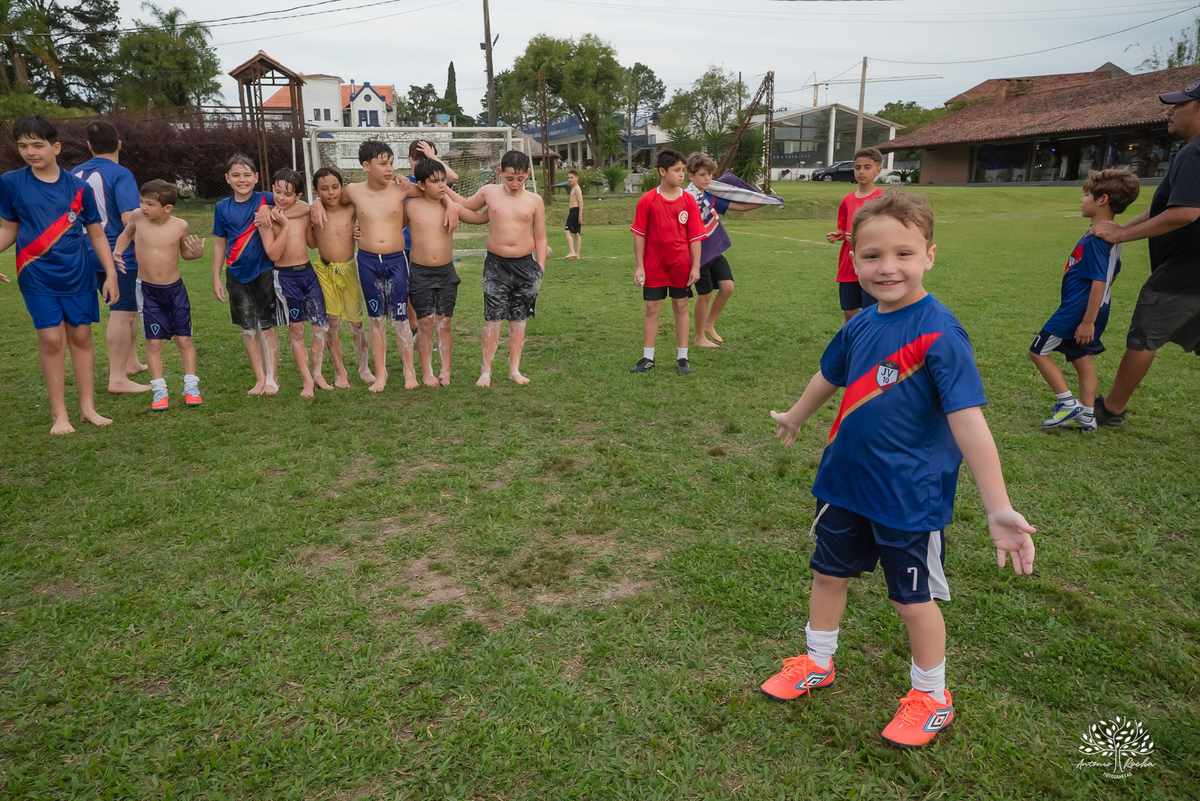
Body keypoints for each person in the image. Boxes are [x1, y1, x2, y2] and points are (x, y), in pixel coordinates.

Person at [761, 191, 1036, 748]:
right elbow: (830, 375)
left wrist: (998, 506)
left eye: (904, 254)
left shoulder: (941, 333)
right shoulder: (861, 323)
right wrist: (796, 415)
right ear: (854, 259)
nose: (887, 267)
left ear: (930, 256)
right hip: (843, 483)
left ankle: (932, 696)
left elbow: (970, 424)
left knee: (910, 599)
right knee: (827, 575)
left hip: (908, 497)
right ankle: (817, 662)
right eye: (872, 256)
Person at [0, 115, 118, 434]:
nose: (30, 152)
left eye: (37, 145)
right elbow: (8, 229)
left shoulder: (79, 187)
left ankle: (88, 409)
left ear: (55, 147)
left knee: (80, 336)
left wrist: (110, 273)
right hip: (34, 273)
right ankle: (59, 415)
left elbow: (96, 234)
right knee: (52, 340)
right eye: (23, 146)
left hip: (78, 273)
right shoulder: (10, 182)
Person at [1093, 80, 1200, 426]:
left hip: (1186, 272)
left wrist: (1124, 233)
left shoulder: (1194, 153)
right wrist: (1123, 233)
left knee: (1144, 336)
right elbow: (1165, 206)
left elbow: (1185, 212)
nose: (1170, 111)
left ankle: (1111, 409)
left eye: (1180, 105)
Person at [311, 140, 458, 392]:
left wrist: (451, 205)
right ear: (366, 166)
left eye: (391, 163)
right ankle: (380, 374)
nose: (389, 168)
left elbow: (437, 188)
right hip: (368, 262)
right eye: (383, 164)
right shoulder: (354, 191)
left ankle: (409, 372)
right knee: (376, 318)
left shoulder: (401, 188)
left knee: (400, 319)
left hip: (397, 261)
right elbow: (329, 197)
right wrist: (314, 204)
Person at [1029, 170, 1140, 432]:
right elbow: (1115, 271)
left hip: (1078, 311)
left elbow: (1100, 280)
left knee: (1038, 351)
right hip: (1094, 308)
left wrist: (1087, 320)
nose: (1081, 200)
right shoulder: (1112, 236)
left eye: (1086, 195)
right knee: (1081, 358)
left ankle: (1067, 403)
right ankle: (1088, 416)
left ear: (1102, 199)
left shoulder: (1096, 240)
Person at [453, 150, 548, 387]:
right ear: (500, 173)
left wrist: (540, 268)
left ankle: (514, 369)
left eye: (520, 178)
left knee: (518, 319)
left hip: (526, 266)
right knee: (493, 318)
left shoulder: (535, 200)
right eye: (509, 178)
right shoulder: (489, 192)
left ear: (528, 174)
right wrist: (446, 195)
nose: (515, 184)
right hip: (496, 265)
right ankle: (486, 370)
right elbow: (467, 207)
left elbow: (541, 236)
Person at [212, 154, 304, 396]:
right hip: (236, 274)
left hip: (263, 273)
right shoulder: (222, 207)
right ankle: (260, 378)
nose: (242, 180)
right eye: (235, 175)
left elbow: (299, 204)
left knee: (266, 327)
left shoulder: (268, 197)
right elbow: (220, 243)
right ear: (227, 179)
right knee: (248, 329)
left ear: (256, 177)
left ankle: (273, 378)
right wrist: (215, 277)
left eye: (246, 175)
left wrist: (269, 208)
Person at [112, 180, 205, 411]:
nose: (144, 207)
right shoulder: (136, 217)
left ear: (167, 208)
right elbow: (125, 235)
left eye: (150, 204)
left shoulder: (180, 226)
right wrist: (117, 250)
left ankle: (191, 386)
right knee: (153, 343)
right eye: (142, 202)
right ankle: (159, 390)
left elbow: (186, 254)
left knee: (184, 340)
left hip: (175, 291)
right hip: (147, 291)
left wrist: (197, 254)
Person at [72, 119, 149, 393]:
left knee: (121, 310)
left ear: (89, 146)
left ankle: (131, 362)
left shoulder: (74, 173)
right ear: (118, 144)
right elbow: (130, 218)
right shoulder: (121, 173)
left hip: (80, 251)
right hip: (116, 251)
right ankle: (117, 378)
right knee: (123, 311)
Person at [685, 152, 782, 347]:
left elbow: (738, 205)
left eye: (709, 175)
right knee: (704, 295)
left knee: (727, 287)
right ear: (691, 176)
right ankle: (699, 337)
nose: (707, 179)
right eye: (702, 175)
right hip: (698, 255)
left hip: (714, 250)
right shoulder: (686, 199)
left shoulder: (710, 195)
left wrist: (765, 201)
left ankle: (708, 324)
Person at [407, 158, 489, 386]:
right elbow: (390, 223)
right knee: (424, 324)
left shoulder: (454, 208)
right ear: (421, 184)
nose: (442, 185)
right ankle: (427, 372)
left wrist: (496, 200)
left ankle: (445, 370)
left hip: (446, 273)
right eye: (435, 181)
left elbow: (482, 218)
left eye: (443, 180)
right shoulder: (410, 206)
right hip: (420, 273)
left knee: (445, 322)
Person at [629, 149, 706, 375]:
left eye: (683, 170)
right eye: (677, 170)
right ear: (662, 172)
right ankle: (648, 357)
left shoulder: (689, 201)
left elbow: (694, 236)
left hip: (680, 264)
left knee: (681, 306)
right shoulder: (647, 200)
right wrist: (640, 265)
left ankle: (682, 357)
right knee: (652, 308)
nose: (681, 174)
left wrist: (696, 265)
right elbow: (639, 234)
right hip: (654, 265)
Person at [264, 168, 331, 398]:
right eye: (277, 191)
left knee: (321, 327)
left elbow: (312, 244)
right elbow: (273, 254)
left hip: (308, 273)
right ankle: (307, 381)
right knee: (297, 329)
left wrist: (314, 214)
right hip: (285, 277)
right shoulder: (266, 218)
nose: (281, 197)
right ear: (272, 188)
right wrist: (282, 225)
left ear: (298, 195)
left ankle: (318, 373)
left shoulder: (303, 212)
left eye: (287, 194)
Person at [308, 166, 373, 387]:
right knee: (333, 323)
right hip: (325, 271)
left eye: (335, 187)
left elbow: (368, 201)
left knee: (356, 323)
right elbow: (310, 240)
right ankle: (340, 372)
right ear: (316, 191)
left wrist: (360, 230)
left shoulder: (351, 209)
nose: (331, 192)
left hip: (349, 270)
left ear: (342, 187)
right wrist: (315, 208)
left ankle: (364, 367)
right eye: (324, 189)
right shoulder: (314, 213)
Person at [827, 148, 885, 322]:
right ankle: (851, 348)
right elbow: (844, 228)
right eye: (857, 167)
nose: (861, 171)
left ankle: (870, 348)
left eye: (867, 167)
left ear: (878, 170)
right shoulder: (847, 200)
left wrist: (864, 238)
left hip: (872, 265)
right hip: (849, 265)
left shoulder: (883, 199)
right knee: (850, 314)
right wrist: (838, 235)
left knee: (871, 314)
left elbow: (890, 234)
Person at [563, 170, 583, 259]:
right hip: (573, 211)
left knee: (567, 231)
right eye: (568, 178)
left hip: (575, 211)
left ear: (577, 178)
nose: (569, 179)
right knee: (576, 233)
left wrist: (580, 215)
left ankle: (572, 252)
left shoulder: (577, 189)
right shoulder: (573, 189)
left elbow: (581, 202)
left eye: (571, 178)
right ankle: (577, 255)